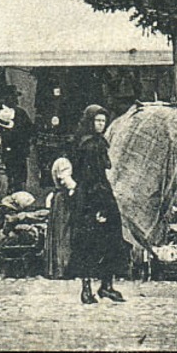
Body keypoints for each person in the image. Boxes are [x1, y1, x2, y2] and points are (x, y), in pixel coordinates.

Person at [67, 104, 126, 305]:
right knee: (91, 242)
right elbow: (90, 177)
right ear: (89, 122)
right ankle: (89, 289)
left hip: (99, 193)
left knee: (109, 240)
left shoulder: (97, 142)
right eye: (97, 121)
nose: (101, 124)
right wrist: (99, 207)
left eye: (103, 121)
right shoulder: (89, 145)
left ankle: (105, 286)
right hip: (93, 197)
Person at [44, 156, 76, 280]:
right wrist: (76, 188)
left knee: (59, 232)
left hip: (60, 198)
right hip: (63, 199)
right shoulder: (63, 162)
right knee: (63, 233)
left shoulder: (59, 161)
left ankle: (57, 268)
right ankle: (62, 268)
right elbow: (65, 180)